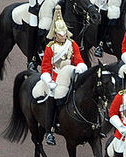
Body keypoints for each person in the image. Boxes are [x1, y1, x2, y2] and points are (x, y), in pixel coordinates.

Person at [31, 7, 88, 146]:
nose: (63, 36)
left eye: (64, 34)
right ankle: (50, 129)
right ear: (55, 34)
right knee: (52, 95)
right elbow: (45, 68)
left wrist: (80, 68)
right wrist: (49, 81)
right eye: (60, 34)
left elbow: (79, 60)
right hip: (55, 78)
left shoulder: (72, 44)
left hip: (69, 74)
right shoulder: (50, 47)